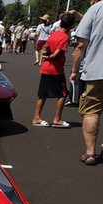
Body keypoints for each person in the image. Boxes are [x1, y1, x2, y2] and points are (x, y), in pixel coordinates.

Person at [71, 0, 103, 165]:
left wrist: (75, 70)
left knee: (91, 111)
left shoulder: (95, 9)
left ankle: (90, 153)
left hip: (97, 69)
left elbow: (81, 45)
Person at [32, 13, 75, 129]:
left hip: (46, 68)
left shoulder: (53, 34)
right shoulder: (65, 37)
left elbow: (45, 48)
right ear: (71, 26)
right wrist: (49, 56)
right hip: (55, 69)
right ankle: (57, 119)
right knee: (63, 93)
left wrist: (45, 54)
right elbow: (57, 53)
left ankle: (36, 117)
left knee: (43, 94)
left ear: (60, 23)